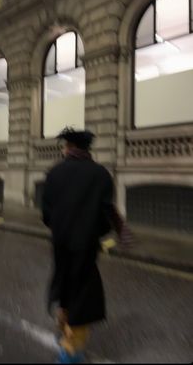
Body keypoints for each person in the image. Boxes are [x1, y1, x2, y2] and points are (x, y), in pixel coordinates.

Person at [42, 127, 132, 364]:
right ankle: (70, 351)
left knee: (64, 285)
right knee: (82, 294)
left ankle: (63, 327)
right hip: (86, 244)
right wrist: (97, 232)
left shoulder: (55, 173)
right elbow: (106, 214)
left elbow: (46, 214)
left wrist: (60, 227)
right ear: (86, 148)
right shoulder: (101, 174)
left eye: (64, 146)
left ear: (69, 148)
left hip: (60, 243)